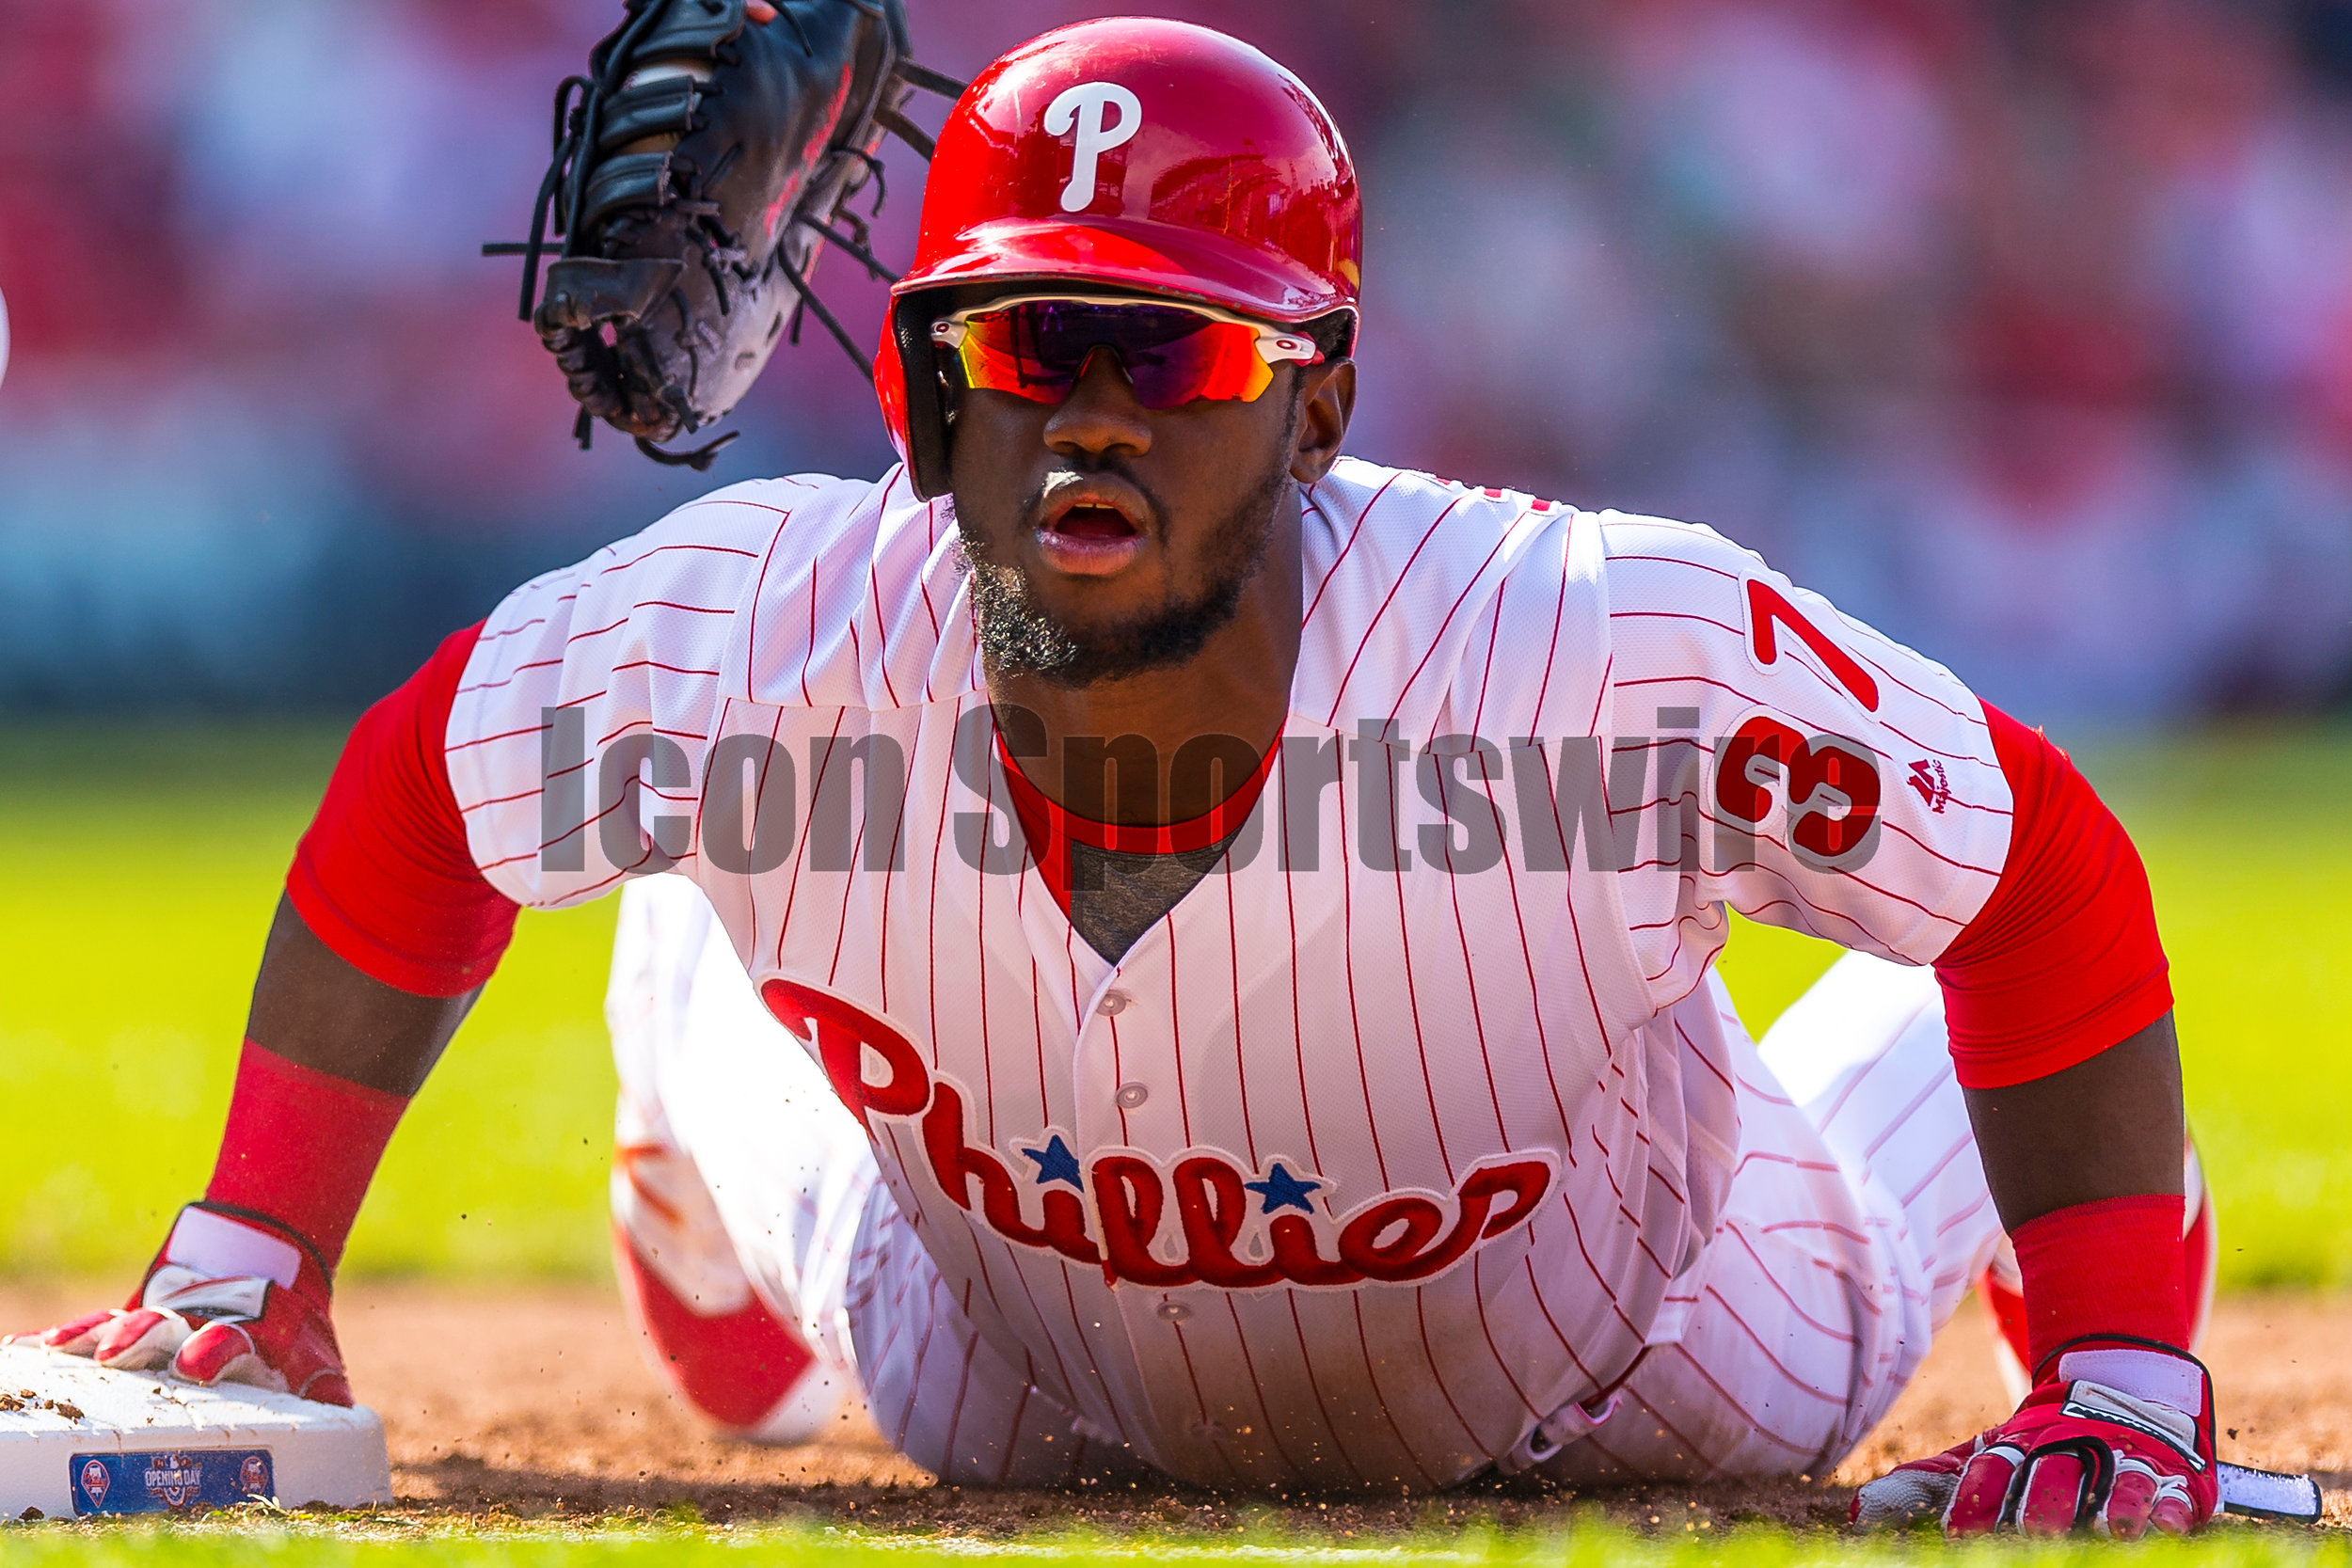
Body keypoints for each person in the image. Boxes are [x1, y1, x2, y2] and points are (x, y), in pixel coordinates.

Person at [18, 18, 2222, 1534]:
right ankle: (681, 1133)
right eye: (1018, 345)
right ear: (922, 393)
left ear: (1318, 403)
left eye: (1165, 348)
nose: (1084, 411)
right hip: (999, 1352)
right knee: (702, 873)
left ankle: (2079, 1263)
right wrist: (239, 1258)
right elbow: (426, 791)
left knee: (1880, 1136)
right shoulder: (762, 617)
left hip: (1624, 1342)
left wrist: (2118, 1370)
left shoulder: (1578, 639)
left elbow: (2031, 871)